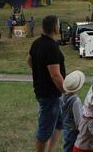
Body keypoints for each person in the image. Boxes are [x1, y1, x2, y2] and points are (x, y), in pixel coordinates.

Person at [27, 15, 66, 152]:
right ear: (54, 27)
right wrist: (65, 90)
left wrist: (40, 72)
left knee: (59, 123)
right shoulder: (51, 47)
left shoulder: (36, 43)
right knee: (44, 130)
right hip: (50, 94)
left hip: (45, 91)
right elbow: (55, 75)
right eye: (58, 24)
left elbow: (29, 60)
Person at [61, 70, 85, 152]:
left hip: (66, 128)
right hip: (73, 131)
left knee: (67, 146)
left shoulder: (63, 96)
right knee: (70, 148)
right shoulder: (76, 101)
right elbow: (79, 121)